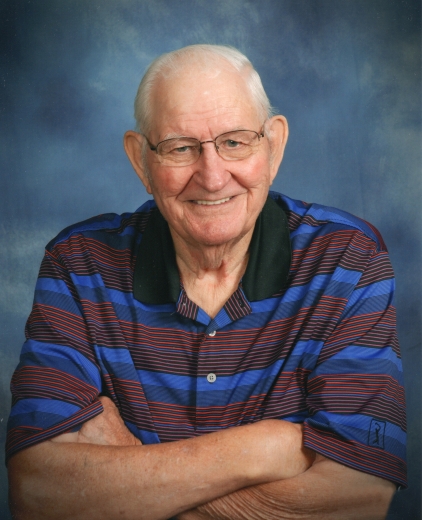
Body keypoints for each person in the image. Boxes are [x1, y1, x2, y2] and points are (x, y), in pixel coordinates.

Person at [7, 44, 406, 520]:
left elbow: (360, 498)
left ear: (273, 147)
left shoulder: (348, 260)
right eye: (180, 148)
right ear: (141, 161)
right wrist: (263, 449)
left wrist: (130, 476)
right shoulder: (78, 266)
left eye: (235, 142)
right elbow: (38, 494)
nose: (213, 177)